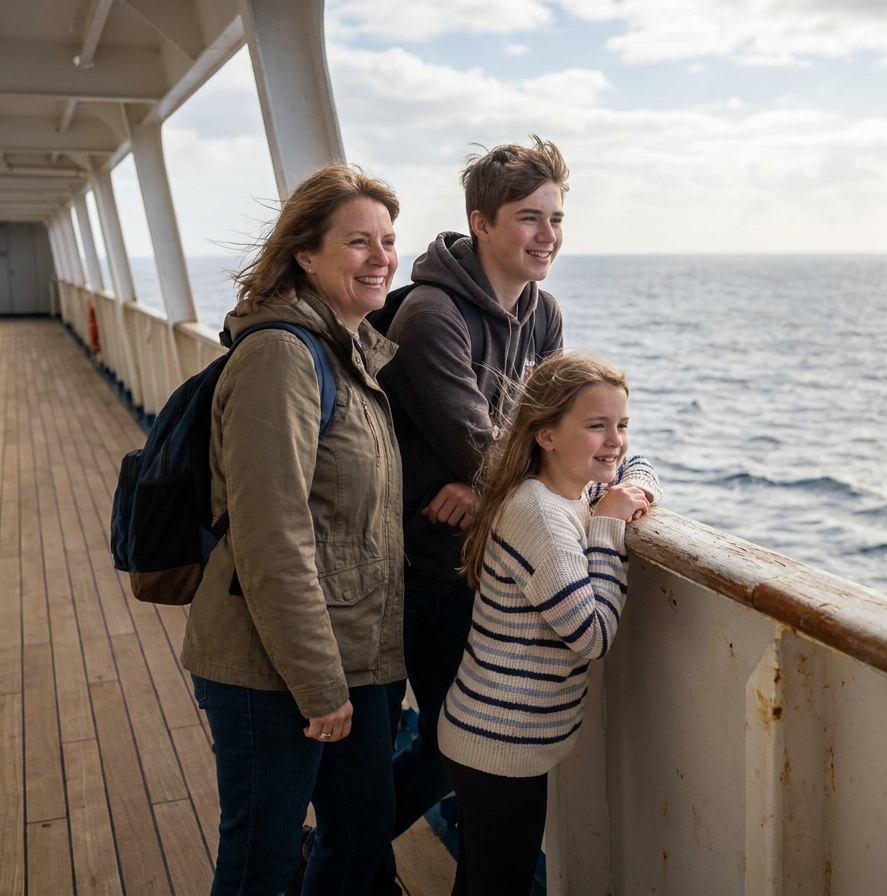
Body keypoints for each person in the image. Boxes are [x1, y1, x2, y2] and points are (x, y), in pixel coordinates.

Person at [179, 164, 405, 896]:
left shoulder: (350, 350)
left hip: (352, 654)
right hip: (270, 666)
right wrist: (318, 686)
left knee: (363, 826)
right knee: (261, 860)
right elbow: (272, 537)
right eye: (358, 242)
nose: (381, 258)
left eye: (388, 241)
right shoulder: (282, 356)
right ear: (306, 255)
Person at [377, 136, 569, 839]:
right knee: (392, 749)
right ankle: (348, 865)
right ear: (481, 222)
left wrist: (485, 488)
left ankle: (339, 859)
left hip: (469, 567)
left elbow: (557, 436)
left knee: (453, 747)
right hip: (398, 570)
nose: (546, 236)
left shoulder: (543, 314)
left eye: (554, 218)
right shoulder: (433, 316)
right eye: (528, 217)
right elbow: (485, 447)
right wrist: (493, 475)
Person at [440, 352, 660, 894]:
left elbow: (636, 467)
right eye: (596, 426)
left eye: (622, 424)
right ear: (546, 435)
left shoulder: (574, 488)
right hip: (499, 748)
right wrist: (608, 530)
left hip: (497, 738)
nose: (616, 440)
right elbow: (593, 635)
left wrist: (633, 490)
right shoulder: (539, 515)